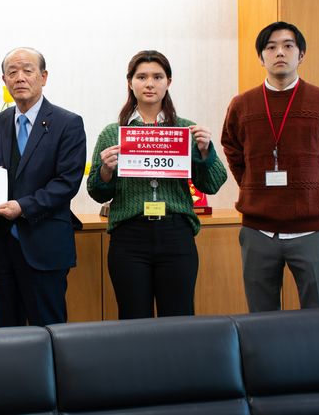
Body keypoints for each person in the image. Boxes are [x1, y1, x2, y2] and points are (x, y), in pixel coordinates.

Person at [87, 50, 227, 319]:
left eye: (157, 76)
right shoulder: (112, 132)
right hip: (129, 235)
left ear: (168, 82)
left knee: (178, 318)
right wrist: (105, 170)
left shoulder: (186, 130)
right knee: (132, 318)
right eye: (141, 77)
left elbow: (214, 184)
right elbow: (96, 191)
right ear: (130, 83)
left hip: (176, 233)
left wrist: (205, 153)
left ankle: (175, 364)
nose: (149, 83)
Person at [221, 22, 319, 312]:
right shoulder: (242, 104)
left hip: (310, 229)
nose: (280, 52)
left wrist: (318, 184)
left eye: (288, 45)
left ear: (301, 55)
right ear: (261, 57)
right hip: (258, 229)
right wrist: (251, 183)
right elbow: (233, 150)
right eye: (271, 47)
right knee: (260, 317)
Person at [0, 47, 86, 327]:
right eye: (12, 72)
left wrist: (22, 207)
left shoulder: (68, 123)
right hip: (1, 246)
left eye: (28, 70)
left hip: (44, 244)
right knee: (8, 331)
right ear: (4, 80)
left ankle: (54, 374)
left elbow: (67, 183)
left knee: (49, 329)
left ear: (44, 77)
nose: (20, 77)